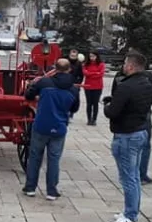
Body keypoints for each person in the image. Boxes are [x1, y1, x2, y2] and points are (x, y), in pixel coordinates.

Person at [103, 52, 152, 222]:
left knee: (129, 177)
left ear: (132, 66)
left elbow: (112, 112)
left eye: (126, 63)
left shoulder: (126, 86)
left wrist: (107, 105)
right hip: (141, 130)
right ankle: (130, 209)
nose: (124, 66)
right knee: (133, 175)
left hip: (127, 135)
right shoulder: (147, 82)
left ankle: (130, 217)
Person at [22, 59, 80, 200]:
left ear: (55, 68)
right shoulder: (73, 89)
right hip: (59, 127)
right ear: (69, 69)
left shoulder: (44, 83)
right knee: (54, 159)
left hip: (41, 125)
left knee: (35, 157)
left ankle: (30, 188)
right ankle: (51, 191)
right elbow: (75, 108)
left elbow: (28, 95)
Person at [113, 63, 152, 186]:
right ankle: (134, 174)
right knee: (137, 147)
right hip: (132, 118)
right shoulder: (120, 76)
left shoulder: (147, 76)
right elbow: (115, 95)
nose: (125, 66)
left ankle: (138, 174)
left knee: (143, 146)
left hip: (139, 117)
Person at [81, 51, 105, 126]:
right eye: (90, 56)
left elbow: (101, 74)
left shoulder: (101, 64)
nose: (92, 58)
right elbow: (85, 73)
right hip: (88, 86)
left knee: (95, 103)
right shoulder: (86, 64)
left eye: (93, 56)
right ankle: (89, 119)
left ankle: (94, 119)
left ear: (97, 56)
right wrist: (95, 73)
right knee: (89, 103)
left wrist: (91, 73)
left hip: (98, 86)